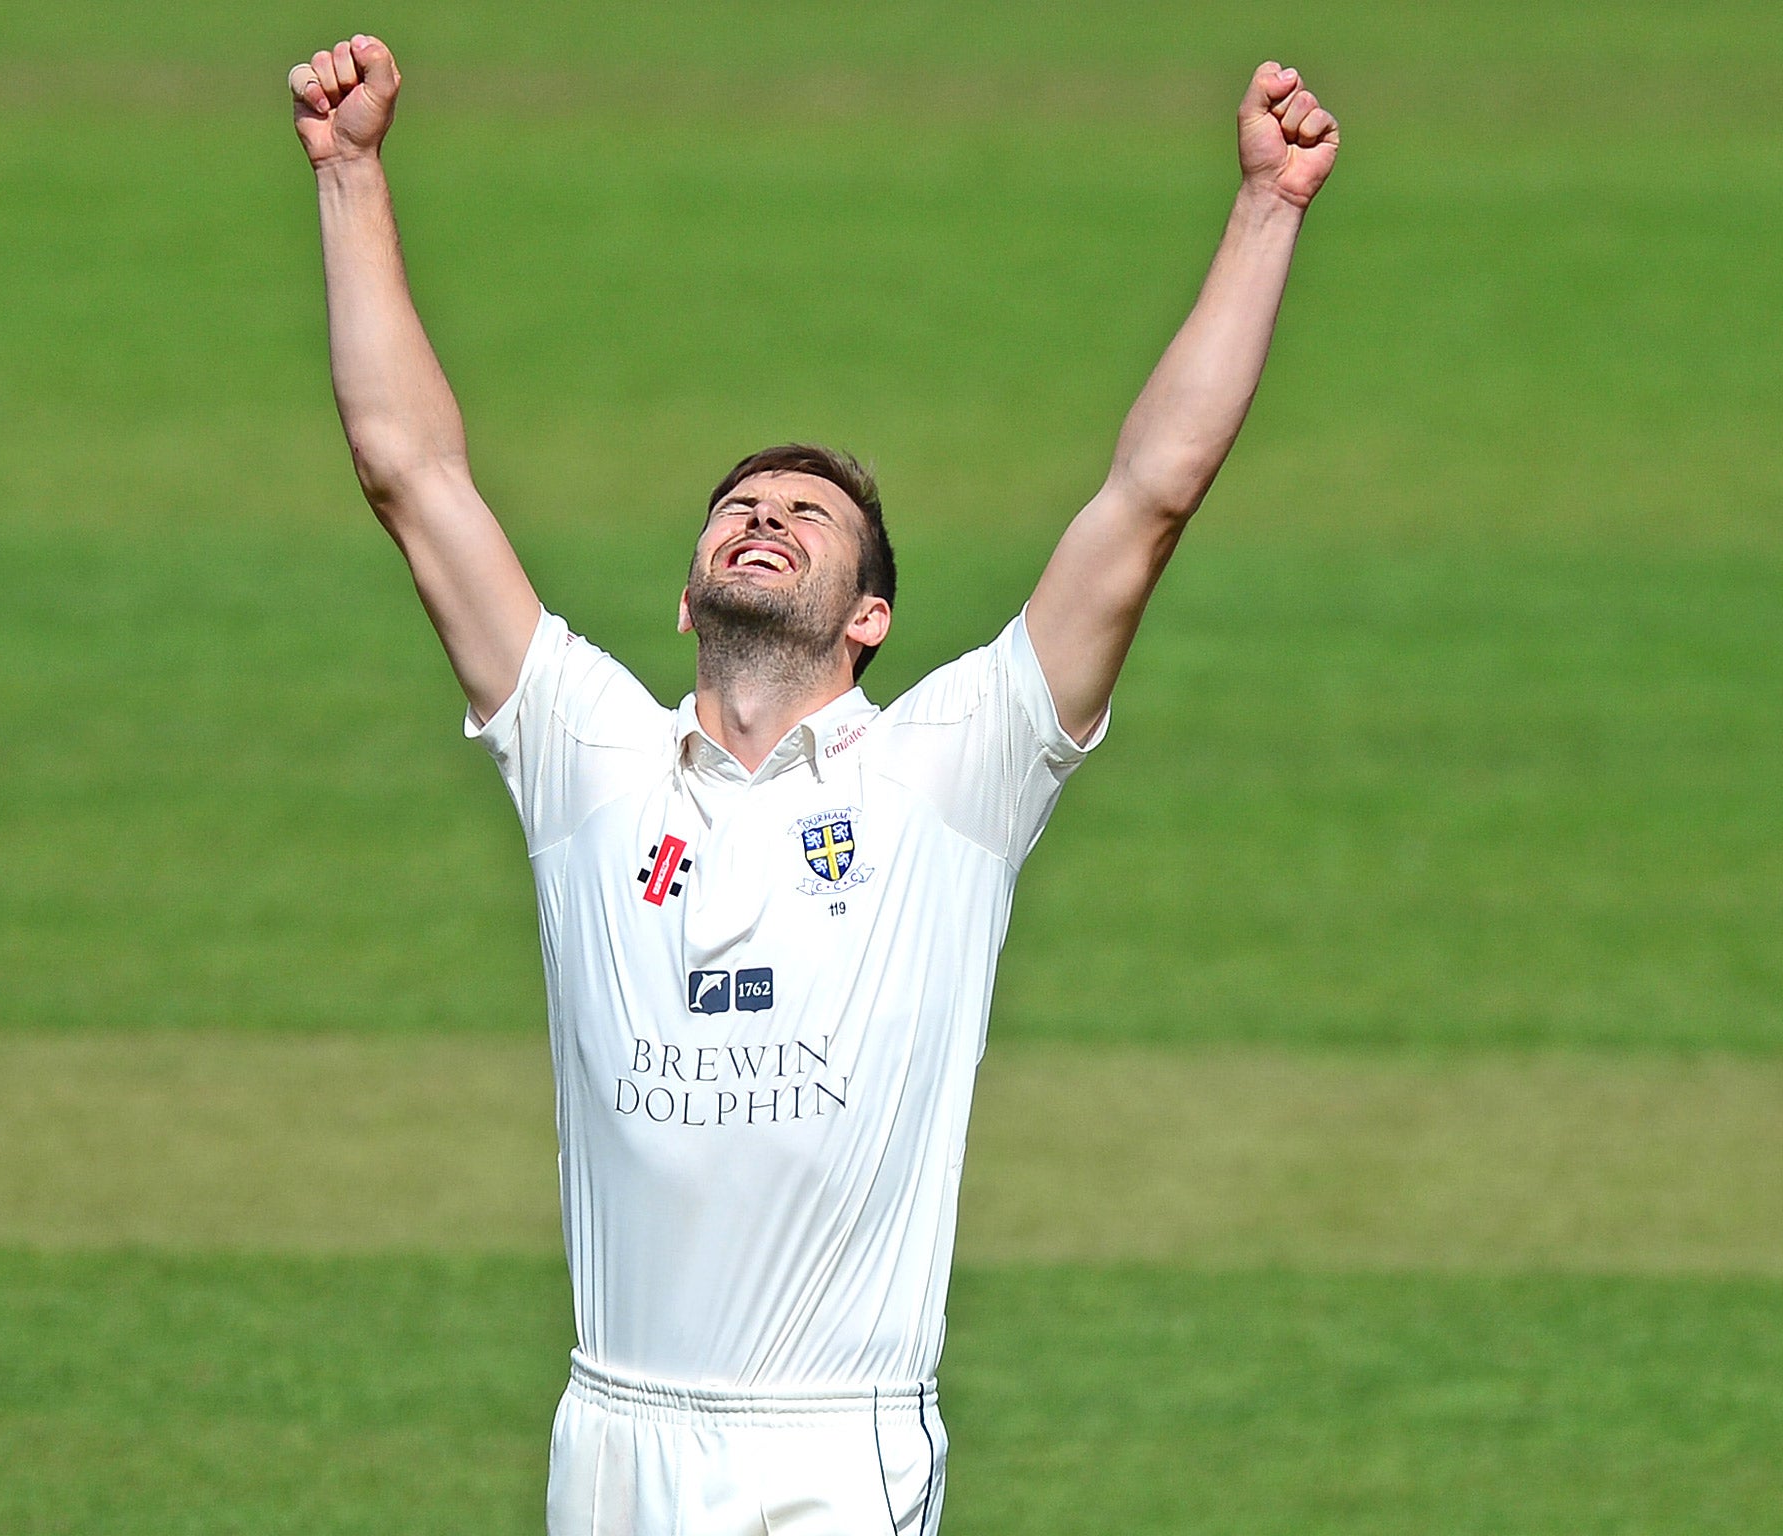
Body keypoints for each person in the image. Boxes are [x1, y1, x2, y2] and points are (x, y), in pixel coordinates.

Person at [289, 34, 1337, 1536]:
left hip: (827, 1456)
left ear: (871, 620)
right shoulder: (587, 755)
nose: (762, 515)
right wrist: (349, 173)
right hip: (613, 1438)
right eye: (737, 507)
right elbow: (412, 472)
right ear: (687, 595)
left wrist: (1267, 207)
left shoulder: (950, 773)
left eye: (807, 513)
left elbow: (1148, 495)